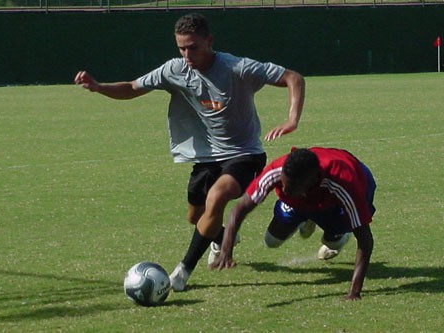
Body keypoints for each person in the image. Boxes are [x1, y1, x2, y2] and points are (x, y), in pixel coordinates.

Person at [74, 13, 305, 292]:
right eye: (181, 48)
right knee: (195, 217)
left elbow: (293, 77)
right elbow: (133, 87)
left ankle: (182, 271)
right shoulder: (175, 70)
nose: (187, 54)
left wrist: (292, 119)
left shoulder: (237, 68)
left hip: (245, 154)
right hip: (206, 157)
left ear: (209, 40)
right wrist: (99, 88)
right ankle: (219, 237)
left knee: (217, 198)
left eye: (193, 47)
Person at [210, 147, 376, 301]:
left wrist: (355, 291)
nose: (284, 190)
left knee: (331, 242)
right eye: (283, 184)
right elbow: (239, 209)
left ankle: (339, 233)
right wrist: (226, 249)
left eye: (289, 188)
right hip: (304, 199)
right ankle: (308, 219)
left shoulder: (345, 183)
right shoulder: (278, 172)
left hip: (336, 200)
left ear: (310, 181)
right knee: (272, 240)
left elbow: (365, 239)